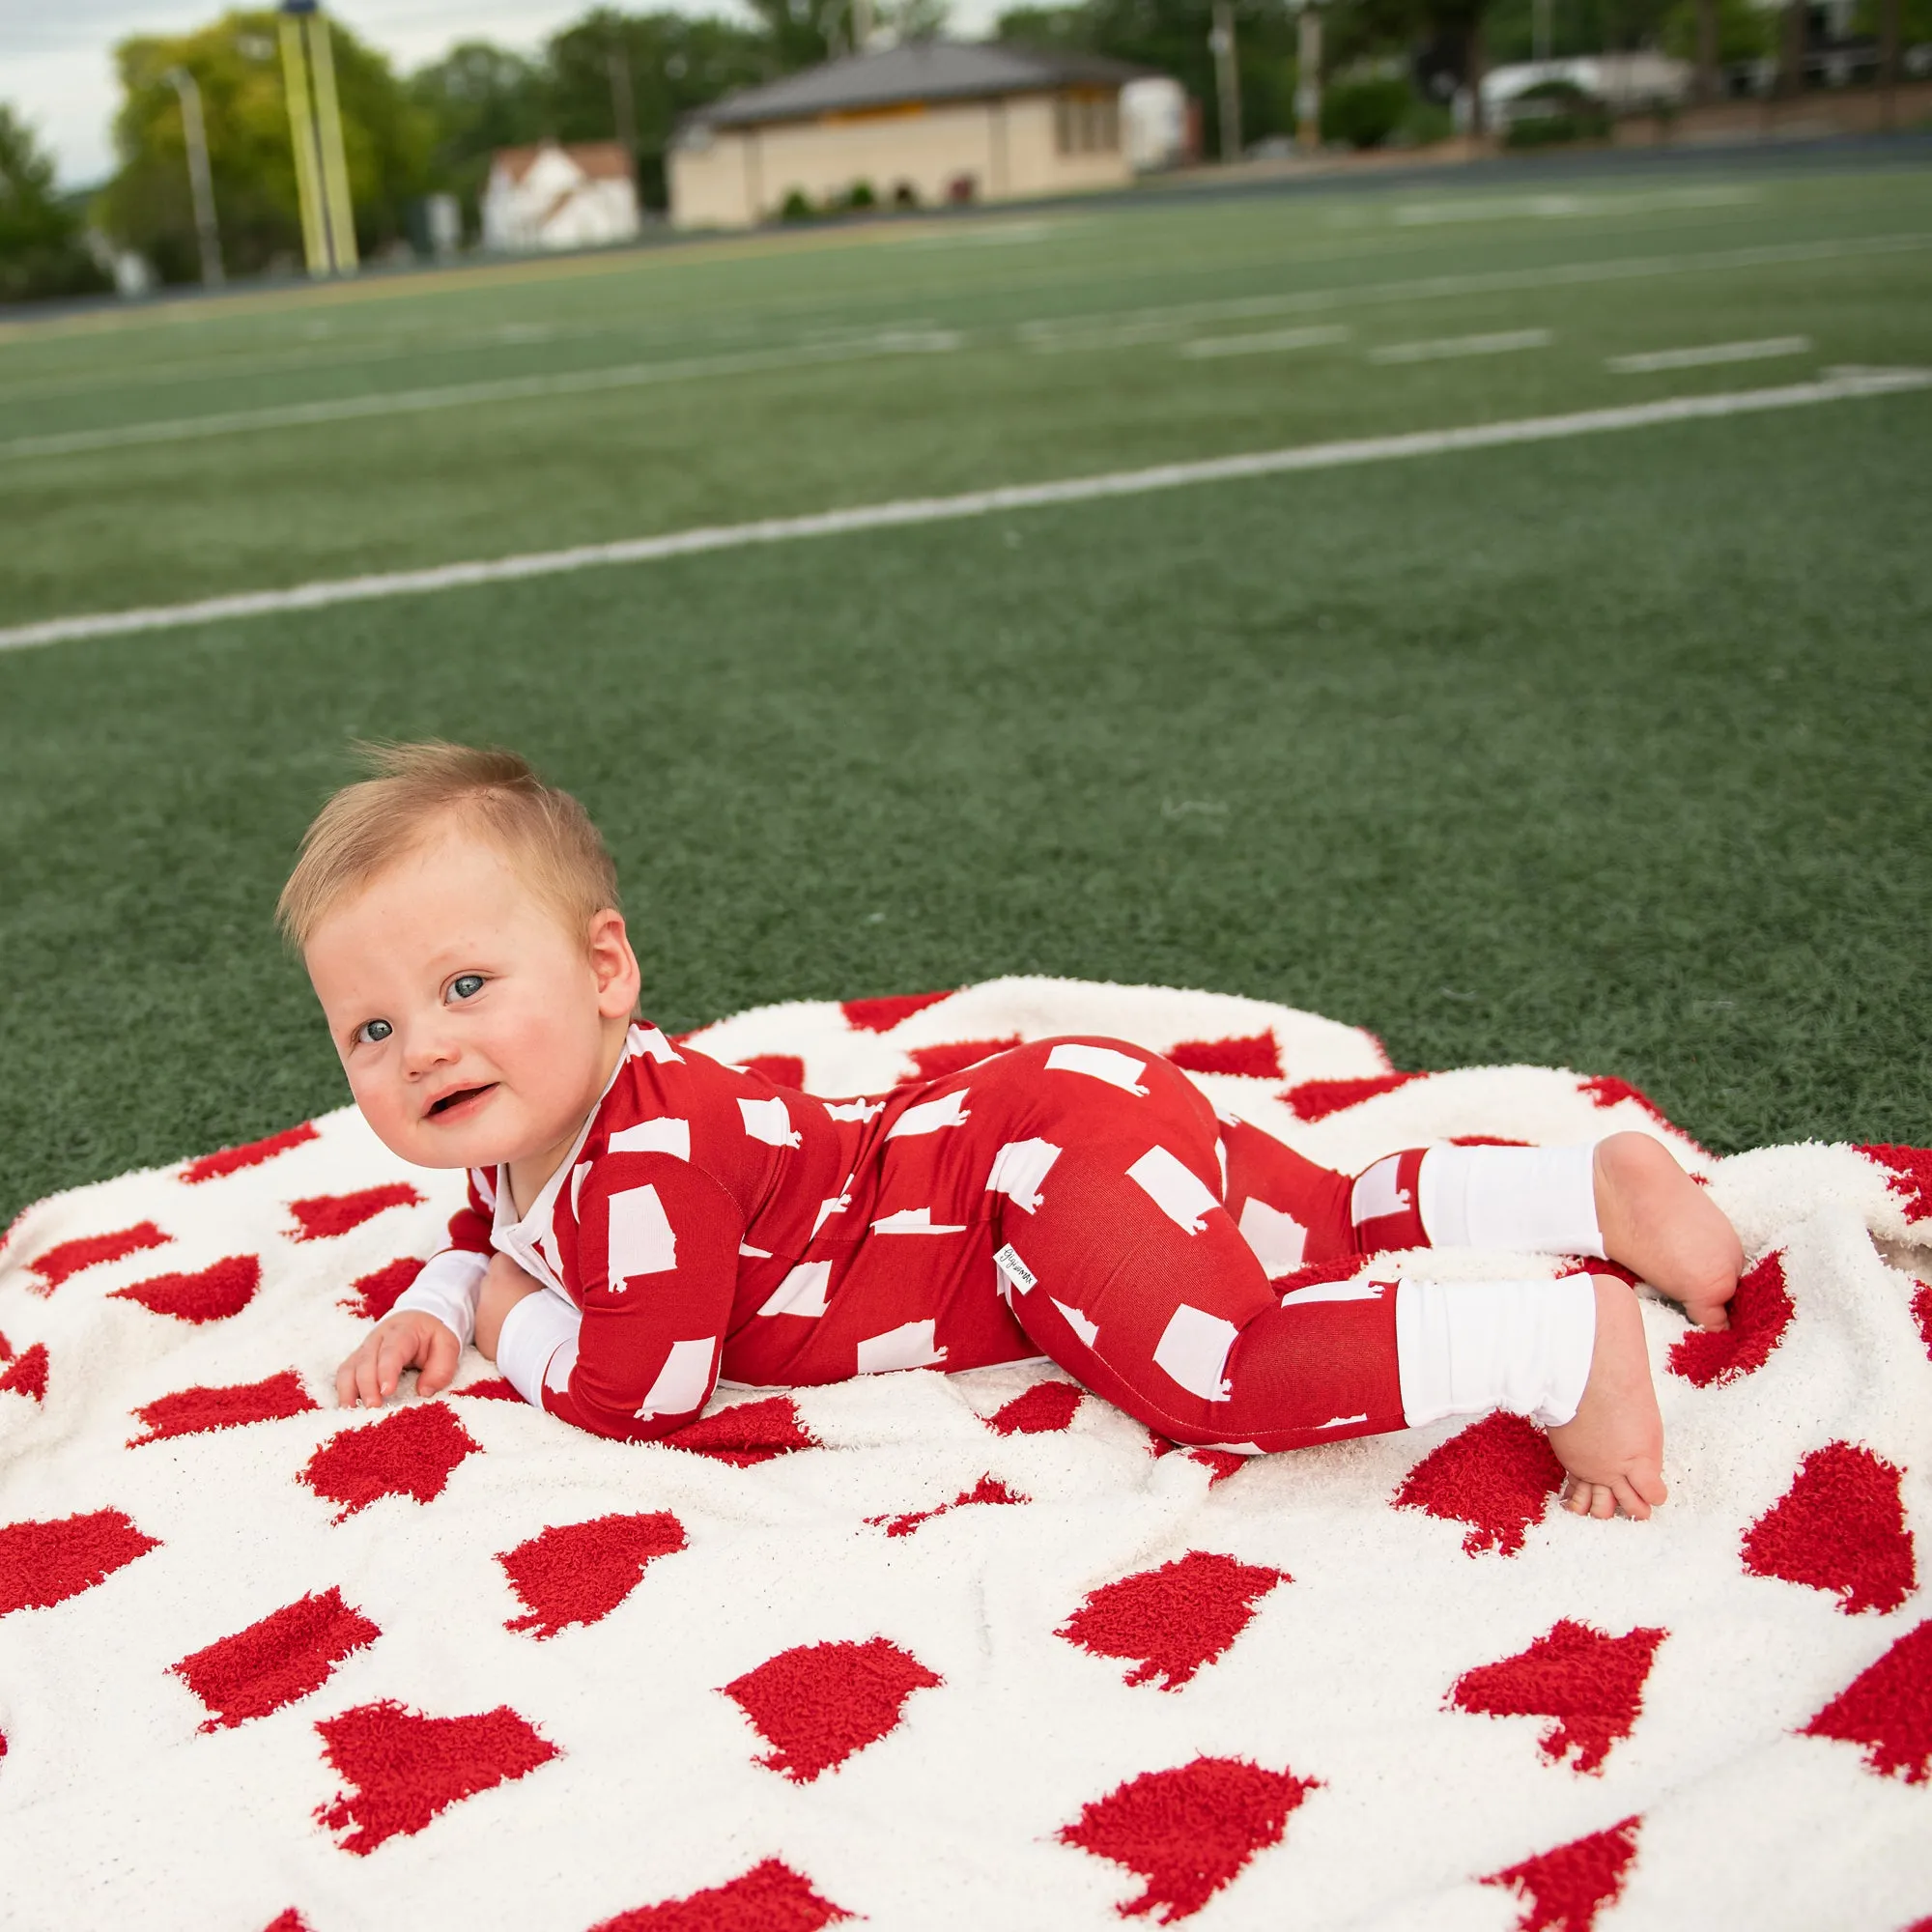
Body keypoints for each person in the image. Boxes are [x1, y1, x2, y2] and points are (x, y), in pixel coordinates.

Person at [286, 744, 1743, 1524]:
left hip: (1020, 1191)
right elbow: (489, 1219)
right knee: (1317, 1213)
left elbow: (638, 1392)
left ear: (608, 974)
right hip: (1049, 1100)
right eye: (373, 1029)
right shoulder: (536, 1129)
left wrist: (499, 1317)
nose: (424, 1047)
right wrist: (437, 1285)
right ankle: (1580, 1187)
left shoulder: (647, 1167)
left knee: (1219, 1368)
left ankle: (1553, 1343)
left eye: (467, 986)